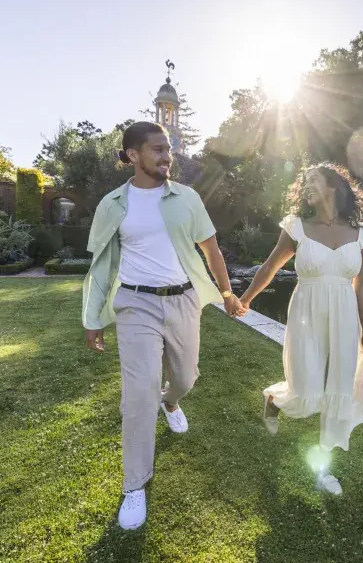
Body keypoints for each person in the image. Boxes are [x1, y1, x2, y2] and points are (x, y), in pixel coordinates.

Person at [82, 121, 244, 530]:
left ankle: (171, 401)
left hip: (184, 299)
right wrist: (93, 316)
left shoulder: (186, 198)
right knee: (138, 392)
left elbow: (211, 249)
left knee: (186, 378)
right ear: (133, 155)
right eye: (157, 149)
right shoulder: (113, 205)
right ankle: (134, 484)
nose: (166, 156)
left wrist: (225, 292)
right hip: (135, 304)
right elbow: (101, 266)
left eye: (168, 149)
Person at [238, 164, 363, 495]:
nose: (306, 187)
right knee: (305, 389)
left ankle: (323, 468)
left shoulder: (360, 233)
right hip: (306, 312)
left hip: (345, 315)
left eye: (313, 181)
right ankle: (274, 399)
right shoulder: (297, 228)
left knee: (339, 389)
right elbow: (270, 267)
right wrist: (244, 299)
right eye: (304, 183)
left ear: (333, 188)